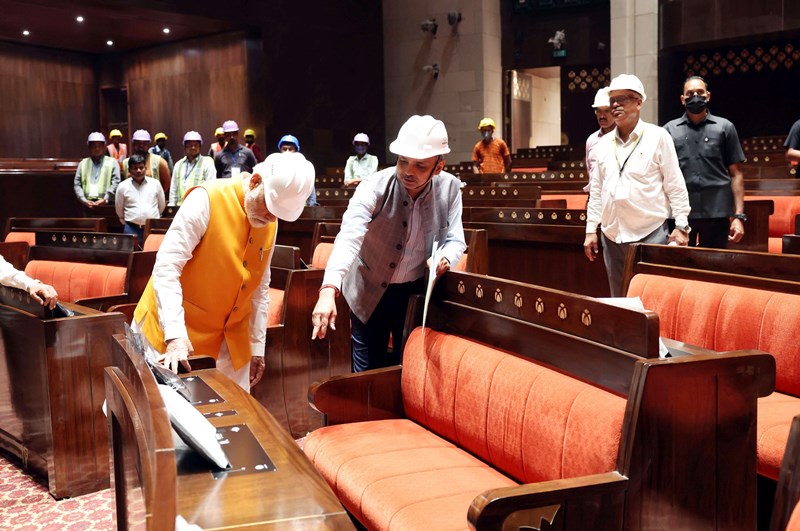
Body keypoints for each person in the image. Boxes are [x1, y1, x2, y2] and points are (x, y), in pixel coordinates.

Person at [132, 151, 315, 391]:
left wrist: (256, 347)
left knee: (234, 419)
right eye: (269, 206)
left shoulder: (270, 219)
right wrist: (175, 335)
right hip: (174, 331)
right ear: (254, 181)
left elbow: (260, 287)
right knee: (165, 420)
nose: (271, 217)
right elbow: (166, 267)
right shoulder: (206, 199)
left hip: (230, 340)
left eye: (278, 213)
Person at [311, 115, 466, 372]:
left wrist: (446, 257)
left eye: (420, 165)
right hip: (368, 288)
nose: (408, 172)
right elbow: (349, 236)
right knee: (367, 376)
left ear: (438, 166)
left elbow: (456, 239)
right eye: (403, 161)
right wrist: (328, 289)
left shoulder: (450, 189)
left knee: (409, 373)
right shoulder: (373, 186)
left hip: (415, 293)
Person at [583, 74, 691, 297]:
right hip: (612, 235)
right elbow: (596, 192)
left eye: (623, 99)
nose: (615, 105)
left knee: (651, 298)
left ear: (639, 101)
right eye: (612, 99)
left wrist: (681, 225)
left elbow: (675, 183)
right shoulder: (602, 144)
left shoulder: (658, 136)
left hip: (650, 233)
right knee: (619, 299)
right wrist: (590, 230)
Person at [663, 76, 746, 248]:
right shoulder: (668, 130)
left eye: (700, 92)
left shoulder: (725, 127)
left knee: (714, 268)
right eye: (690, 93)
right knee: (680, 268)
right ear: (682, 99)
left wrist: (738, 217)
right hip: (680, 214)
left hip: (717, 211)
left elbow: (736, 175)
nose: (695, 96)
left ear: (708, 96)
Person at [115, 153, 166, 248]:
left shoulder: (155, 184)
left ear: (145, 168)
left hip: (152, 227)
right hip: (131, 228)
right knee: (131, 257)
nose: (138, 171)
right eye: (135, 168)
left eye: (141, 167)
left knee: (152, 255)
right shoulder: (122, 186)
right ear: (129, 170)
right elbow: (119, 209)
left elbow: (161, 205)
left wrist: (152, 216)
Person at [74, 131, 121, 210]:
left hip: (107, 203)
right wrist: (83, 200)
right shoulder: (83, 163)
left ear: (104, 147)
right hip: (87, 204)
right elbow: (77, 184)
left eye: (99, 146)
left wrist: (106, 198)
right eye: (94, 146)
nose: (97, 148)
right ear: (89, 147)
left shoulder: (112, 162)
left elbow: (116, 182)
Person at [169, 131, 217, 206]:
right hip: (180, 208)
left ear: (200, 146)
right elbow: (173, 189)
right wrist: (172, 206)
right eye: (190, 145)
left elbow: (211, 188)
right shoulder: (178, 165)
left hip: (199, 207)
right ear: (184, 147)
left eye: (196, 145)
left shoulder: (207, 163)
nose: (193, 147)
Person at [584, 87, 615, 192]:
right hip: (594, 197)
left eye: (606, 111)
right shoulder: (591, 140)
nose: (602, 116)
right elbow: (590, 170)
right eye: (598, 111)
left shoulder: (624, 137)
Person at [123, 129, 171, 195]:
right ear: (133, 144)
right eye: (138, 143)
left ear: (149, 144)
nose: (141, 146)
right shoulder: (125, 163)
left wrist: (156, 195)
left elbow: (167, 183)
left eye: (144, 143)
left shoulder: (159, 161)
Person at [278, 134, 319, 206]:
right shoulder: (274, 166)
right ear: (280, 150)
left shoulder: (304, 166)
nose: (287, 152)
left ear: (296, 151)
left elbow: (310, 186)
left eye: (290, 149)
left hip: (299, 205)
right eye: (284, 149)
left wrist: (312, 204)